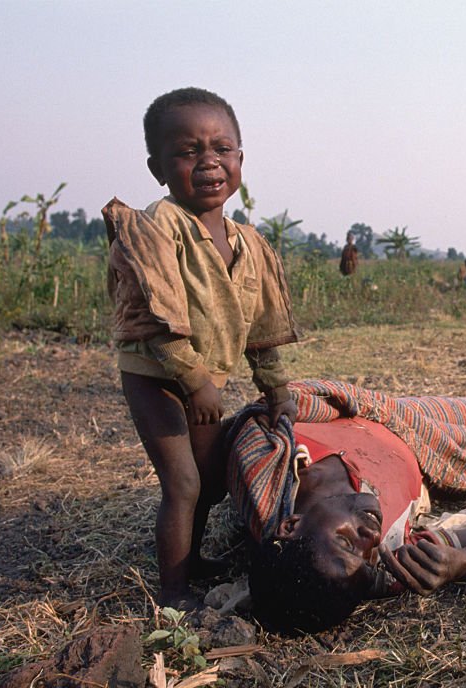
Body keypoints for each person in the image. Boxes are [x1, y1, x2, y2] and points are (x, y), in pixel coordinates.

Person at [102, 87, 299, 610]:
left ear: (239, 158)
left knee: (210, 482)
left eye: (222, 148)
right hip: (155, 375)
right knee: (184, 483)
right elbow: (155, 319)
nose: (209, 161)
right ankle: (172, 592)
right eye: (188, 152)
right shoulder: (155, 231)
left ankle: (190, 559)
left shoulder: (247, 242)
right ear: (157, 167)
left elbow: (262, 323)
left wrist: (275, 386)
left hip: (204, 382)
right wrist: (191, 381)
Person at [223, 381, 466, 633]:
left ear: (291, 525)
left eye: (346, 541)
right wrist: (464, 561)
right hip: (422, 437)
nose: (373, 538)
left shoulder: (266, 464)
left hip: (382, 411)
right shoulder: (392, 560)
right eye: (368, 558)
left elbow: (278, 404)